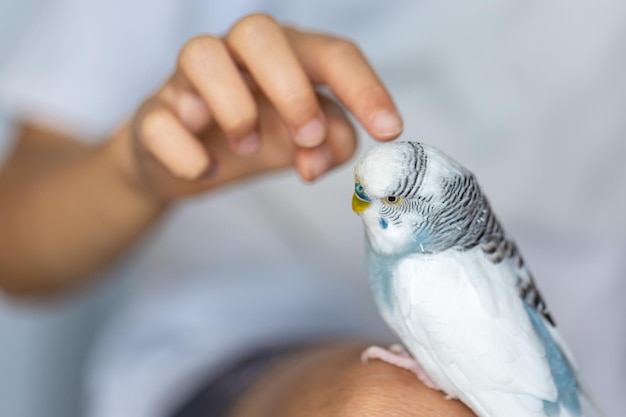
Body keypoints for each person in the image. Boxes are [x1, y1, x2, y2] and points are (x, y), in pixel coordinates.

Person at [0, 1, 623, 416]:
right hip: (239, 348)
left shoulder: (441, 273)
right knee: (390, 406)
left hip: (590, 358)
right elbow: (15, 240)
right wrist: (132, 169)